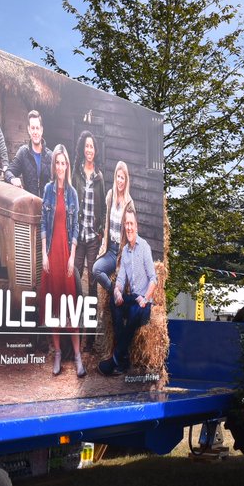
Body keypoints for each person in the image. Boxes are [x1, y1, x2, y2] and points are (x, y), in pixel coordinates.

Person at [39, 144, 84, 377]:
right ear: (53, 165)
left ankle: (77, 356)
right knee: (54, 305)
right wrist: (44, 254)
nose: (60, 166)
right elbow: (43, 224)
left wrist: (72, 257)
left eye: (63, 163)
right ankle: (57, 353)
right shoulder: (47, 190)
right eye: (57, 162)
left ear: (67, 165)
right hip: (51, 253)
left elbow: (76, 227)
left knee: (70, 305)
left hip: (66, 253)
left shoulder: (73, 193)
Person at [102, 204, 157, 376]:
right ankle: (124, 359)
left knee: (134, 311)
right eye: (126, 224)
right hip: (133, 298)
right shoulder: (125, 251)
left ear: (136, 226)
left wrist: (146, 298)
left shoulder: (145, 247)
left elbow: (154, 279)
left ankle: (116, 359)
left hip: (144, 302)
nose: (129, 227)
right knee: (114, 300)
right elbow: (120, 280)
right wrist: (117, 292)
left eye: (131, 224)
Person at [92, 160, 134, 295]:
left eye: (123, 177)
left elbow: (132, 231)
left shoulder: (129, 203)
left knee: (128, 284)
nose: (120, 180)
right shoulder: (110, 196)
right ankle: (113, 291)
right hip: (111, 250)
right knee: (96, 269)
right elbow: (105, 220)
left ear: (126, 180)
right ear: (115, 177)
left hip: (123, 252)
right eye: (118, 177)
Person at [74, 130, 105, 289]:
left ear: (95, 150)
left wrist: (100, 231)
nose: (89, 150)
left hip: (93, 236)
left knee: (93, 276)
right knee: (75, 274)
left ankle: (92, 313)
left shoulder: (99, 177)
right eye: (86, 146)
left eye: (91, 146)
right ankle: (74, 311)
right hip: (79, 235)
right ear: (83, 149)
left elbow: (103, 209)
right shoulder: (76, 173)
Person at [4, 109, 53, 197]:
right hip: (29, 205)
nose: (35, 132)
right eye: (32, 128)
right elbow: (8, 172)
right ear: (28, 130)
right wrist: (13, 179)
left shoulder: (51, 156)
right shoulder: (23, 153)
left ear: (41, 130)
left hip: (46, 207)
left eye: (37, 128)